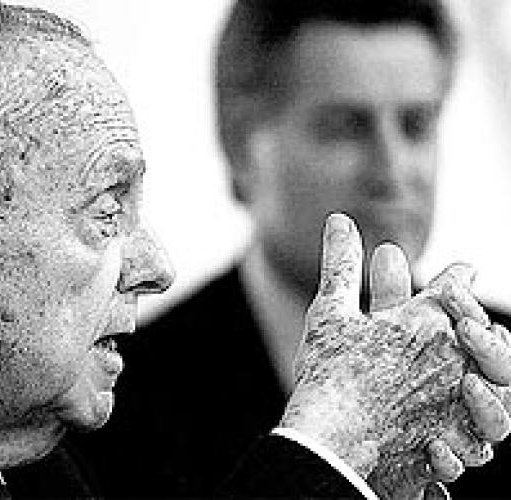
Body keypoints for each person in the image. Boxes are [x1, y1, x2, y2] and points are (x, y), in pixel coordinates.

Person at [0, 1, 510, 499]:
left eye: (418, 123)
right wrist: (331, 453)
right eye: (107, 213)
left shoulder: (39, 467)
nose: (156, 267)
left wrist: (358, 480)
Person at [72, 0, 511, 497]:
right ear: (240, 146)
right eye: (345, 128)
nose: (391, 172)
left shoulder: (499, 377)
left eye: (416, 125)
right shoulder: (114, 398)